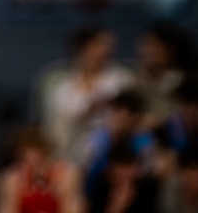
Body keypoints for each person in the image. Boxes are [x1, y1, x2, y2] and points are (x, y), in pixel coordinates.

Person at [40, 29, 133, 165]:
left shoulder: (122, 79)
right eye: (101, 44)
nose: (107, 50)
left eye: (110, 46)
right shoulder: (61, 86)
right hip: (69, 146)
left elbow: (131, 112)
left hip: (111, 147)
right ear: (83, 48)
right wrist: (84, 113)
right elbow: (54, 125)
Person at [0, 127, 82, 213]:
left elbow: (72, 208)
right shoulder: (11, 178)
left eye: (32, 150)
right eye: (23, 152)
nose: (28, 156)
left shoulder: (64, 174)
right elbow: (6, 209)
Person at [83, 92, 154, 198]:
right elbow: (85, 168)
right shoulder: (98, 137)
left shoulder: (144, 141)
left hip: (132, 195)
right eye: (117, 111)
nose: (121, 117)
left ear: (137, 117)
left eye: (128, 114)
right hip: (94, 192)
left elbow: (145, 173)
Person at [161, 77, 198, 179]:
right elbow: (169, 161)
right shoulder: (173, 127)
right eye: (187, 105)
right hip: (183, 181)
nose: (192, 112)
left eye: (197, 106)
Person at [87, 140, 158, 213]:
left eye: (128, 168)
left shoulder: (148, 189)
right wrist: (115, 208)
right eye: (117, 174)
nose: (123, 176)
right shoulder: (102, 189)